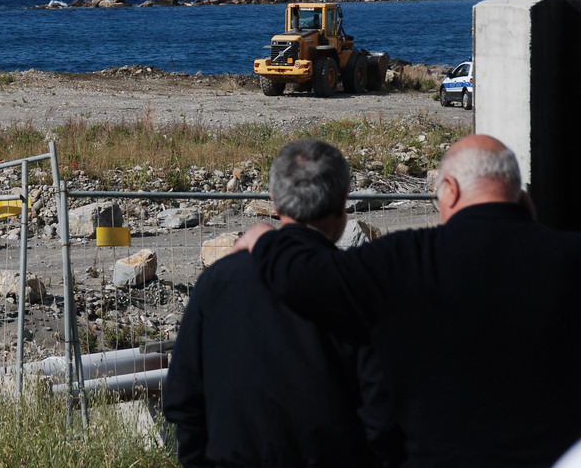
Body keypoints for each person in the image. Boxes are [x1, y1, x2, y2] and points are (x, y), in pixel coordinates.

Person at [241, 134, 581, 467]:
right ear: (520, 195)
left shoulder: (405, 256)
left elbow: (303, 278)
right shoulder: (570, 255)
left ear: (451, 189)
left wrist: (264, 237)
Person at [163, 139, 400, 467]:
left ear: (274, 200)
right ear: (343, 201)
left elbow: (183, 399)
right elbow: (383, 411)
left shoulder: (216, 283)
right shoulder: (359, 288)